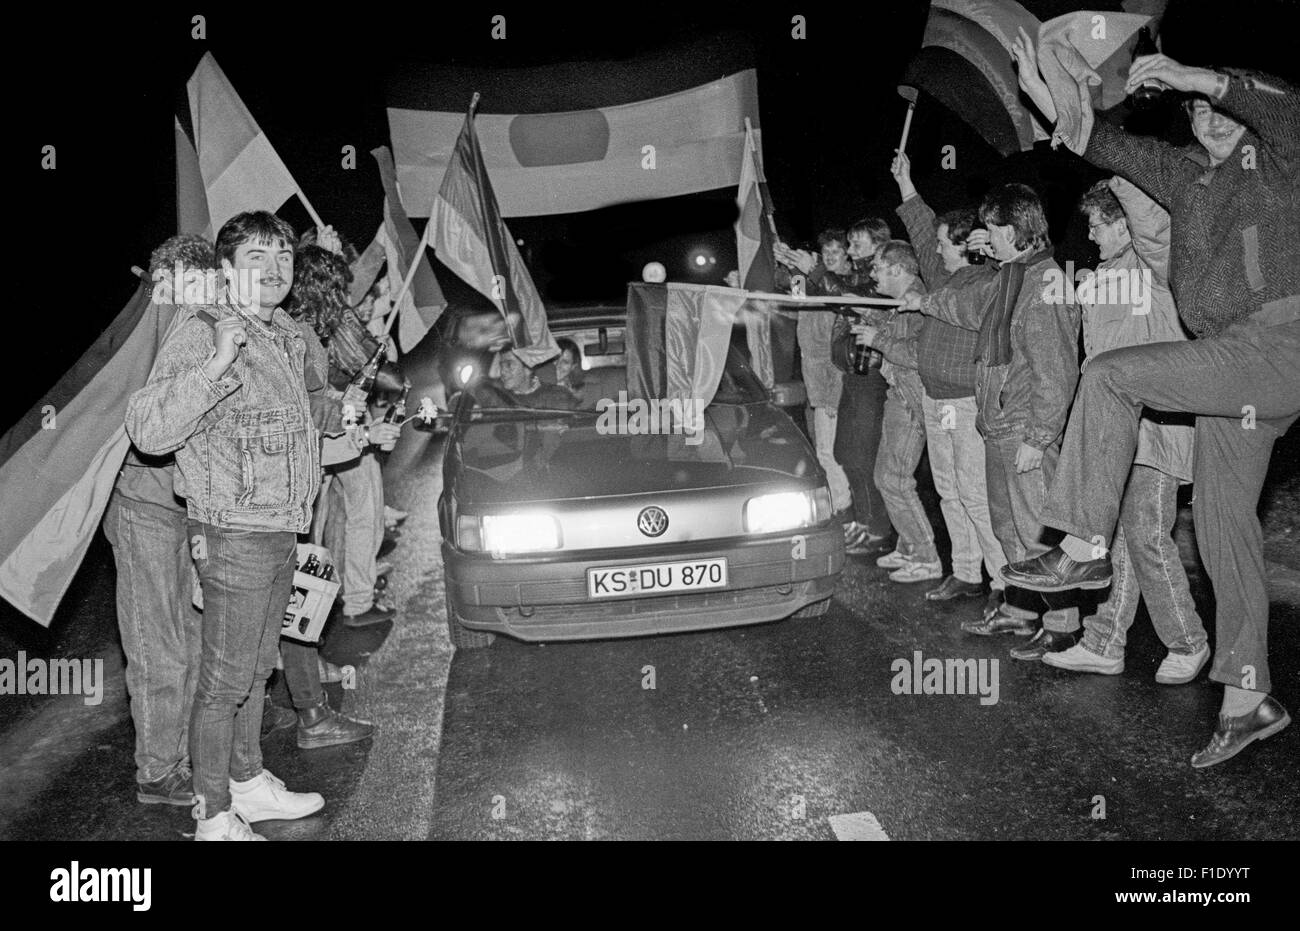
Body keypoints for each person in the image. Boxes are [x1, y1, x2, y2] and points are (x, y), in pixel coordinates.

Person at [1003, 37, 1300, 766]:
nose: (1210, 121)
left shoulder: (1280, 158)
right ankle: (1248, 696)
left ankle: (1081, 545)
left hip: (1278, 343)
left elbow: (1283, 107)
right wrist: (1056, 98)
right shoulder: (1186, 175)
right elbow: (1103, 145)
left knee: (1109, 373)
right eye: (1196, 114)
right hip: (1230, 373)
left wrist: (1192, 76)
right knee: (1225, 529)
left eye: (1221, 109)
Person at [126, 211, 338, 840]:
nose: (275, 271)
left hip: (280, 527)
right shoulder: (205, 331)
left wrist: (332, 409)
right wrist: (215, 366)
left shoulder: (285, 337)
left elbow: (289, 419)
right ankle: (213, 815)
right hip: (233, 531)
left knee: (255, 669)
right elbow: (149, 428)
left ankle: (248, 783)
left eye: (283, 258)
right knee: (221, 682)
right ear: (226, 270)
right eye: (256, 258)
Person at [903, 183, 1082, 659]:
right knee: (1008, 527)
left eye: (995, 233)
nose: (987, 241)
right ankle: (1021, 610)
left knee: (1036, 530)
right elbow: (970, 307)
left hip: (1024, 430)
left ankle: (1061, 624)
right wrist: (926, 302)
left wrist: (1040, 438)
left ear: (1015, 231)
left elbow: (1056, 372)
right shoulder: (1012, 277)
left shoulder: (1043, 284)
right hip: (999, 426)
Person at [1042, 177, 1209, 684]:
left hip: (1159, 429)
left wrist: (1118, 168)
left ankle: (1189, 642)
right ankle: (1104, 642)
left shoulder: (1157, 268)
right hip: (1117, 433)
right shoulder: (1101, 277)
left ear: (1122, 221)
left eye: (1096, 223)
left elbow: (1157, 229)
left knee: (1146, 536)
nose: (1090, 235)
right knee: (1115, 540)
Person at [104, 234, 213, 807]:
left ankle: (191, 752)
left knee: (196, 635)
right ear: (160, 283)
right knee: (157, 642)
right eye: (180, 287)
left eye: (204, 286)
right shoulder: (132, 344)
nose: (193, 299)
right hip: (141, 505)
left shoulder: (201, 334)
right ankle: (158, 770)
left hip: (190, 506)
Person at [890, 153, 1008, 613]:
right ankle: (965, 571)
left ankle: (1002, 582)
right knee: (948, 492)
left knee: (976, 496)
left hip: (967, 403)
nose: (934, 249)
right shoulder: (942, 273)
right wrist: (905, 180)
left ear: (965, 246)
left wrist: (927, 302)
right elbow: (922, 229)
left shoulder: (987, 279)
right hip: (934, 398)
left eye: (944, 243)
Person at [850, 240, 942, 583]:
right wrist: (872, 318)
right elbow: (893, 334)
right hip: (899, 394)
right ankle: (908, 546)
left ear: (897, 270)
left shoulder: (918, 302)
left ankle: (926, 556)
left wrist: (879, 340)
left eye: (877, 267)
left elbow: (920, 354)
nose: (873, 273)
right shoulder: (900, 303)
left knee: (894, 479)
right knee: (887, 476)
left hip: (910, 399)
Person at [775, 230, 856, 534]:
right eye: (827, 251)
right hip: (812, 377)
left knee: (827, 451)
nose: (832, 256)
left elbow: (837, 304)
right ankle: (841, 505)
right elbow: (791, 292)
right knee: (822, 450)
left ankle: (845, 511)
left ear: (847, 254)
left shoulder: (846, 284)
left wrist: (811, 269)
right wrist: (787, 264)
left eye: (838, 251)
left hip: (830, 378)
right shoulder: (814, 281)